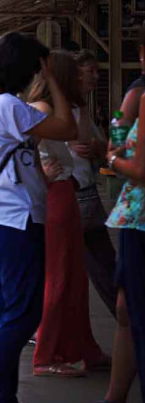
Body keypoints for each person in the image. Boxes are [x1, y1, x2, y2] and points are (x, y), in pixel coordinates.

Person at [0, 33, 77, 403]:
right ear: (30, 70)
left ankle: (2, 396)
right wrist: (55, 80)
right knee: (23, 315)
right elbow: (67, 127)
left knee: (1, 311)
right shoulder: (10, 108)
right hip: (15, 221)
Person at [27, 51, 108, 377]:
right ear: (62, 78)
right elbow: (19, 150)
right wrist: (40, 171)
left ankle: (79, 346)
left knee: (73, 280)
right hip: (57, 195)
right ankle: (47, 354)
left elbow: (81, 136)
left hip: (67, 193)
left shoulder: (64, 109)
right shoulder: (42, 109)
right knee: (59, 278)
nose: (84, 79)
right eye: (76, 74)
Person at [100, 23, 145, 403]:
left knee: (131, 306)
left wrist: (114, 157)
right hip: (134, 216)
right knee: (126, 307)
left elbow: (118, 126)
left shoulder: (139, 92)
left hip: (140, 216)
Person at [71, 50, 117, 317]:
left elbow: (103, 147)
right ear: (75, 73)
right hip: (76, 197)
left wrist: (99, 147)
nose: (97, 78)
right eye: (92, 71)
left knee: (101, 266)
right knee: (103, 266)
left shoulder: (81, 108)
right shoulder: (65, 107)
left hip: (84, 195)